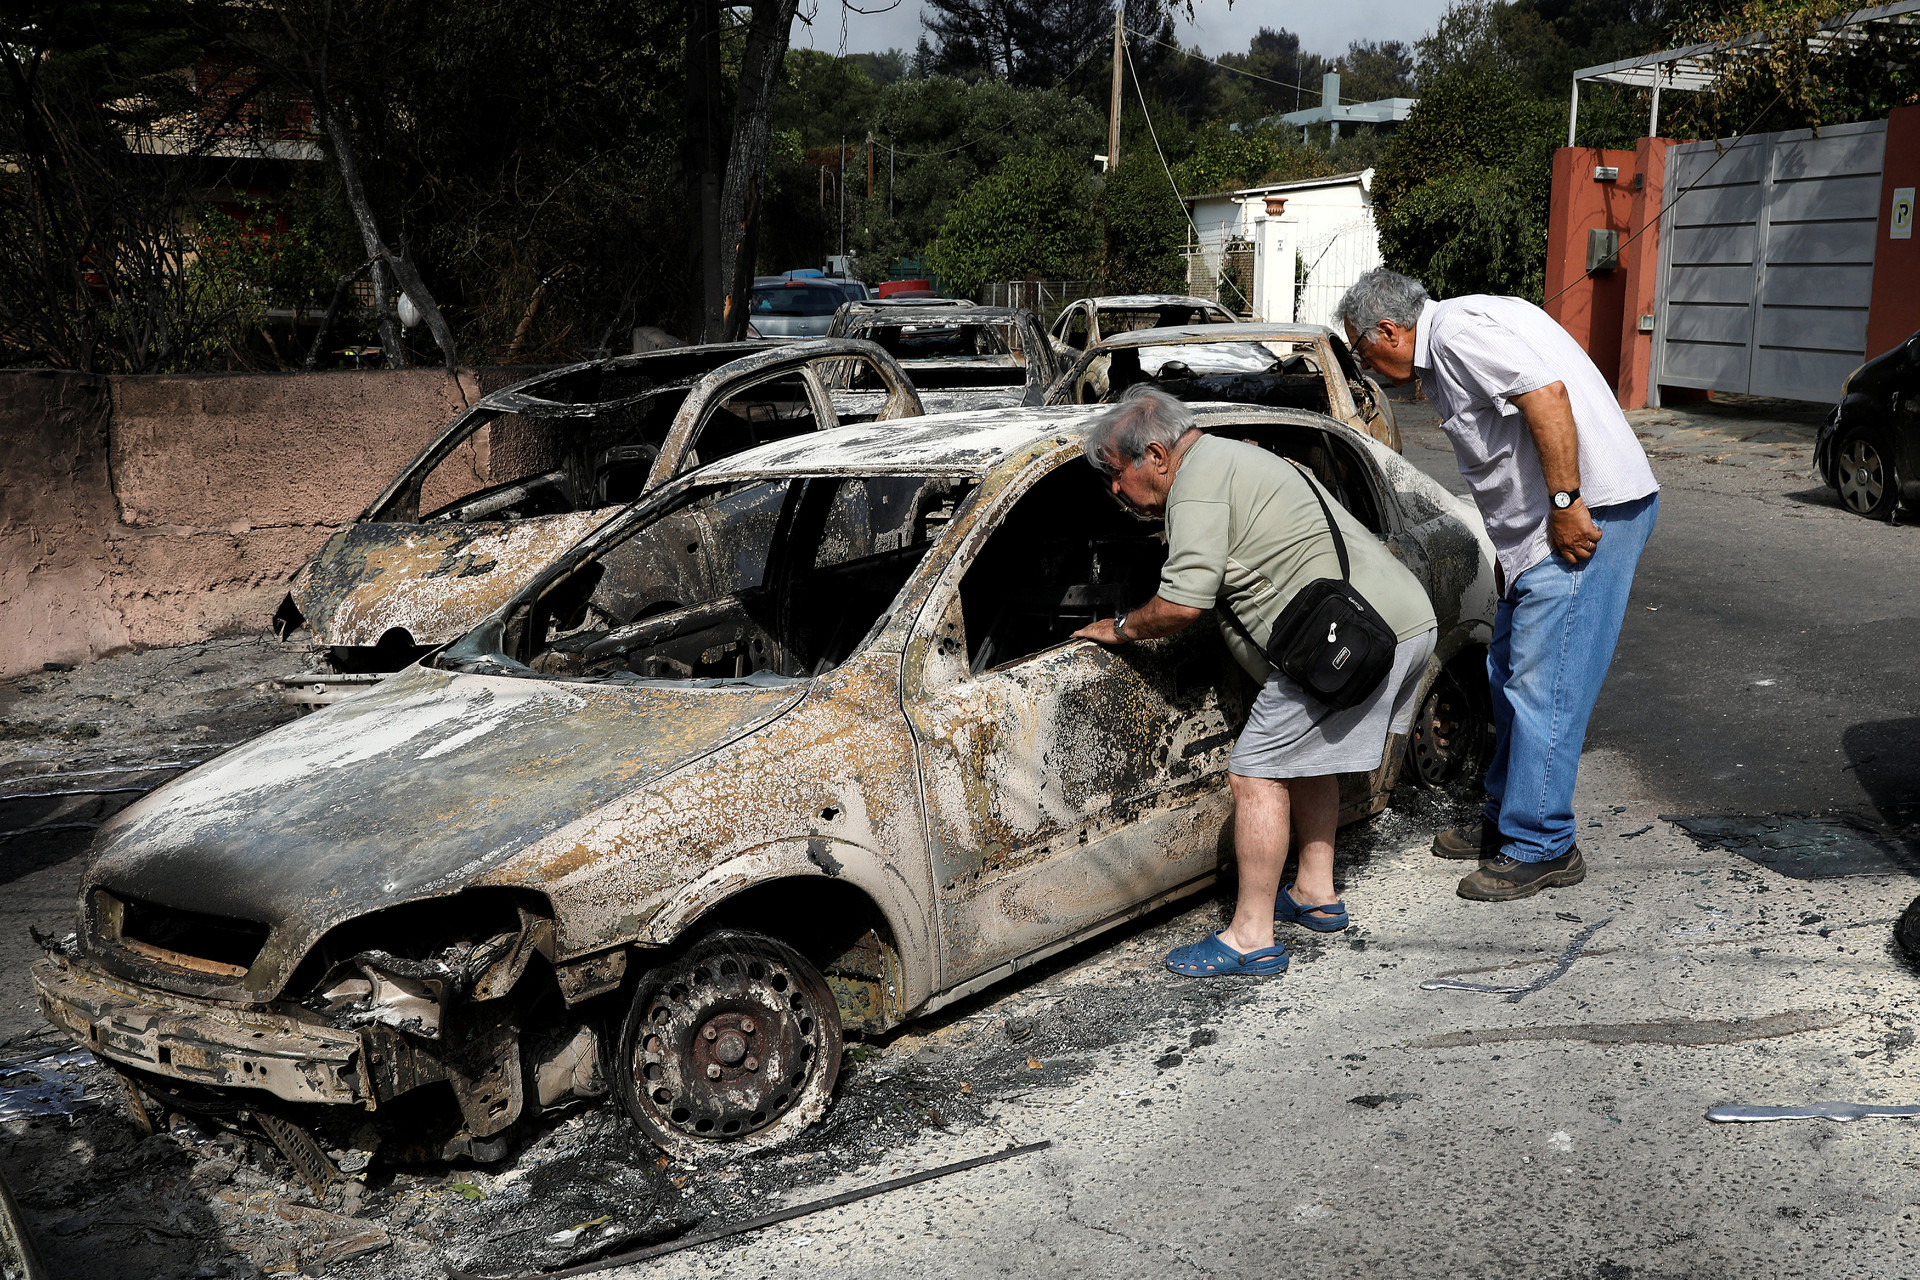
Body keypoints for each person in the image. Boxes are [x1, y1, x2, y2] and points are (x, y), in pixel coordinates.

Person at [1072, 387, 1438, 977]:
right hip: (1396, 621)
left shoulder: (1196, 487)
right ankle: (1316, 892)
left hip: (1350, 641)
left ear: (1158, 456)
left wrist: (1121, 627)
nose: (1115, 489)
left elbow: (1181, 605)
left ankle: (1250, 936)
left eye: (1117, 473)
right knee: (1305, 759)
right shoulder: (1232, 457)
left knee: (1255, 772)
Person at [1334, 268, 1659, 902]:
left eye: (1362, 348)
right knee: (1508, 669)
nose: (1365, 365)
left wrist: (1567, 502)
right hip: (1542, 531)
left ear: (1390, 331)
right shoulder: (1459, 328)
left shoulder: (1456, 335)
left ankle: (1542, 844)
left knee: (1546, 683)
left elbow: (1548, 396)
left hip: (1587, 514)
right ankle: (1508, 815)